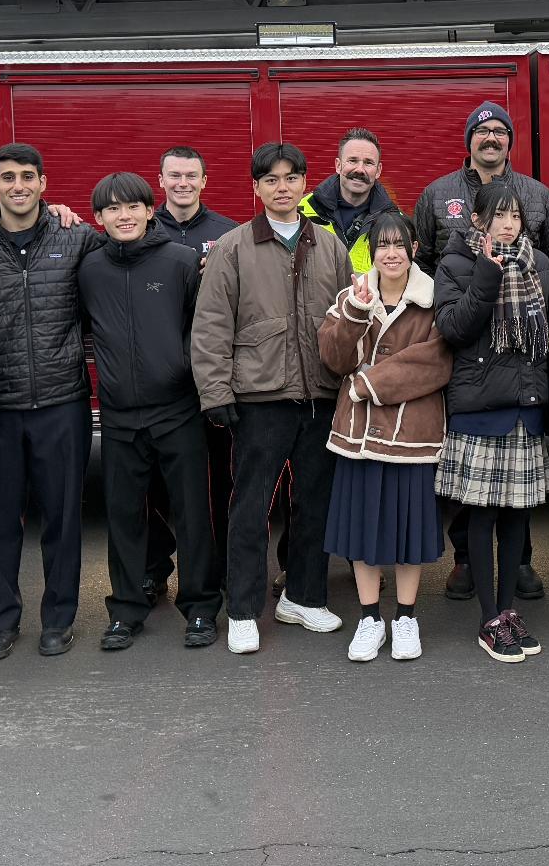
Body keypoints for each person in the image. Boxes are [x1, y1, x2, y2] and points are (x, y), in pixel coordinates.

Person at [191, 142, 352, 654]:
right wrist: (216, 392)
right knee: (250, 507)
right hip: (260, 398)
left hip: (321, 395)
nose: (282, 187)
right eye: (271, 179)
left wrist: (349, 383)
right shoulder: (233, 248)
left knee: (315, 505)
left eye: (291, 177)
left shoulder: (330, 246)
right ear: (256, 188)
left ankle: (303, 597)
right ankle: (242, 608)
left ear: (306, 183)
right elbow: (211, 324)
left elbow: (349, 321)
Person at [0, 143, 100, 662]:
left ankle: (58, 619)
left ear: (43, 183)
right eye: (7, 177)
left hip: (63, 402)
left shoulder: (76, 238)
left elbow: (125, 259)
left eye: (27, 176)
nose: (18, 185)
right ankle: (1, 621)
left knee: (62, 521)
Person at [415, 100, 549, 603]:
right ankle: (465, 560)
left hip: (523, 366)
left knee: (518, 488)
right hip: (467, 357)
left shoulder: (538, 195)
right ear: (468, 140)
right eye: (482, 131)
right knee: (473, 486)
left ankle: (519, 563)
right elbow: (420, 263)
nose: (492, 138)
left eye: (501, 131)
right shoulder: (437, 194)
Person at [78, 171, 215, 650]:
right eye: (112, 209)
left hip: (178, 409)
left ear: (149, 209)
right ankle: (127, 609)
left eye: (132, 206)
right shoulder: (89, 268)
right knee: (124, 515)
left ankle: (200, 607)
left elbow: (202, 330)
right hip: (118, 414)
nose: (124, 215)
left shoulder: (180, 262)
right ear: (98, 218)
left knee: (192, 511)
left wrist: (183, 373)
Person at [317, 211, 453, 663]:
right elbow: (334, 358)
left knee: (408, 532)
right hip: (356, 437)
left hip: (413, 436)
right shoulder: (352, 295)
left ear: (413, 249)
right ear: (371, 251)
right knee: (361, 531)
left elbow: (436, 362)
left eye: (399, 244)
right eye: (382, 245)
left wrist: (366, 384)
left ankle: (407, 618)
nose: (391, 253)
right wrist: (355, 313)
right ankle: (370, 618)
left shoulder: (435, 298)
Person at [433, 177, 549, 664]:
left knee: (517, 517)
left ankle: (508, 612)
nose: (509, 224)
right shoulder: (457, 263)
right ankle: (489, 617)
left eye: (516, 216)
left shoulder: (539, 264)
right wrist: (487, 269)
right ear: (478, 219)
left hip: (525, 403)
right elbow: (456, 328)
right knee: (481, 516)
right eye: (499, 215)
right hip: (481, 406)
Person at [154, 145, 239, 603]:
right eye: (175, 175)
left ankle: (223, 568)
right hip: (163, 382)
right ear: (161, 180)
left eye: (192, 175)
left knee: (223, 482)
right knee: (162, 485)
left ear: (205, 181)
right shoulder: (142, 231)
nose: (183, 183)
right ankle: (157, 568)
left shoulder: (228, 234)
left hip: (216, 379)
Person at [301, 128, 400, 273]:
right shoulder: (302, 212)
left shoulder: (396, 221)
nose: (360, 169)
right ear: (338, 165)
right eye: (352, 160)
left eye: (368, 163)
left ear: (378, 170)